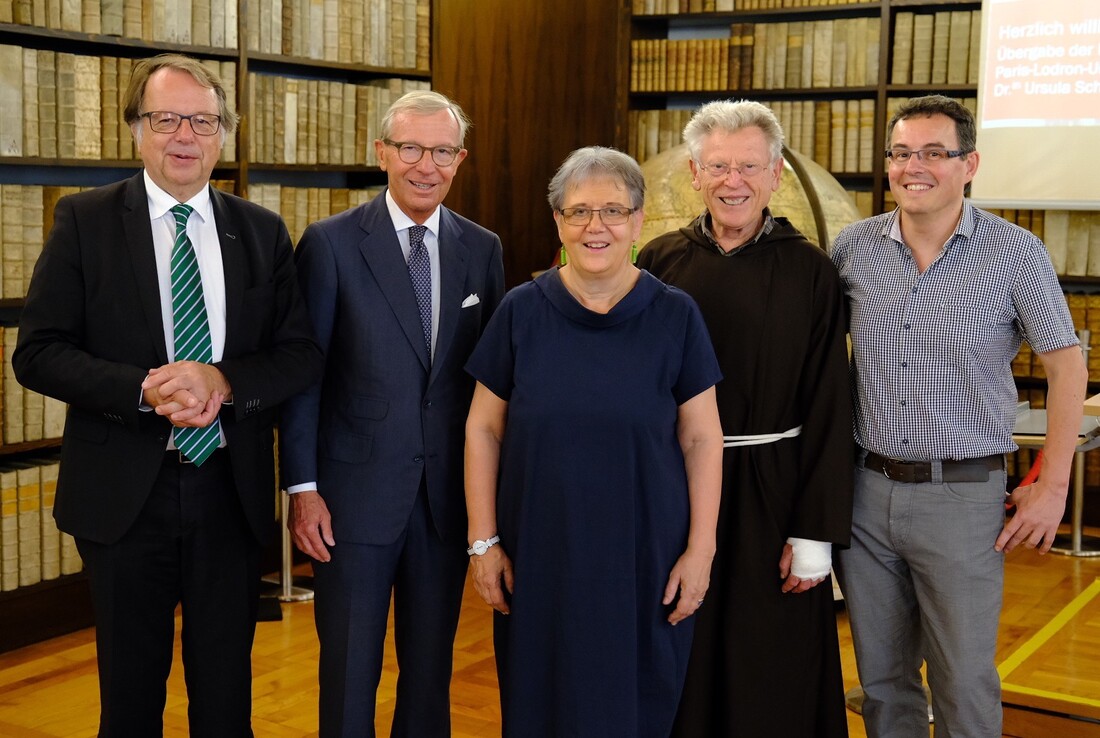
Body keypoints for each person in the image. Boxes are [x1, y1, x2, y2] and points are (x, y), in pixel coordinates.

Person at [11, 53, 323, 736]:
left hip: (227, 495)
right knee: (129, 700)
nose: (185, 135)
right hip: (124, 498)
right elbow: (36, 353)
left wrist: (224, 379)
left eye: (203, 121)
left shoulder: (261, 231)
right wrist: (142, 390)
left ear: (223, 134)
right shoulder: (84, 222)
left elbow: (297, 354)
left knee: (225, 698)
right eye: (166, 118)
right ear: (135, 129)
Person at [831, 94, 1088, 737]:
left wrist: (1052, 486)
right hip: (866, 492)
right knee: (883, 681)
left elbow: (1066, 367)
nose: (915, 166)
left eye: (934, 153)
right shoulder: (852, 250)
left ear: (969, 164)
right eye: (901, 153)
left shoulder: (1014, 251)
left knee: (963, 679)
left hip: (963, 495)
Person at [464, 146, 724, 737]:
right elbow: (482, 429)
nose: (595, 227)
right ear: (557, 221)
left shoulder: (675, 315)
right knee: (539, 708)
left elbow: (703, 439)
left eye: (612, 210)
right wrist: (483, 543)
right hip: (540, 558)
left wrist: (701, 551)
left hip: (646, 560)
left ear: (637, 221)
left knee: (636, 708)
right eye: (578, 212)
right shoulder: (520, 312)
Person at [278, 90, 505, 737]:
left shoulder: (482, 249)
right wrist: (303, 489)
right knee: (349, 674)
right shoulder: (330, 244)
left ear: (460, 160)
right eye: (410, 148)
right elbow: (304, 377)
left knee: (431, 673)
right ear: (382, 152)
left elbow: (489, 386)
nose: (424, 165)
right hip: (350, 504)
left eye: (441, 151)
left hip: (443, 503)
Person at [636, 99, 854, 737]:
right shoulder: (656, 263)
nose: (734, 181)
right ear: (695, 175)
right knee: (681, 647)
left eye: (749, 166)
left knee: (771, 663)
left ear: (776, 174)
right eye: (719, 166)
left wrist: (815, 532)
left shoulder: (811, 269)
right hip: (675, 490)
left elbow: (828, 399)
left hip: (774, 492)